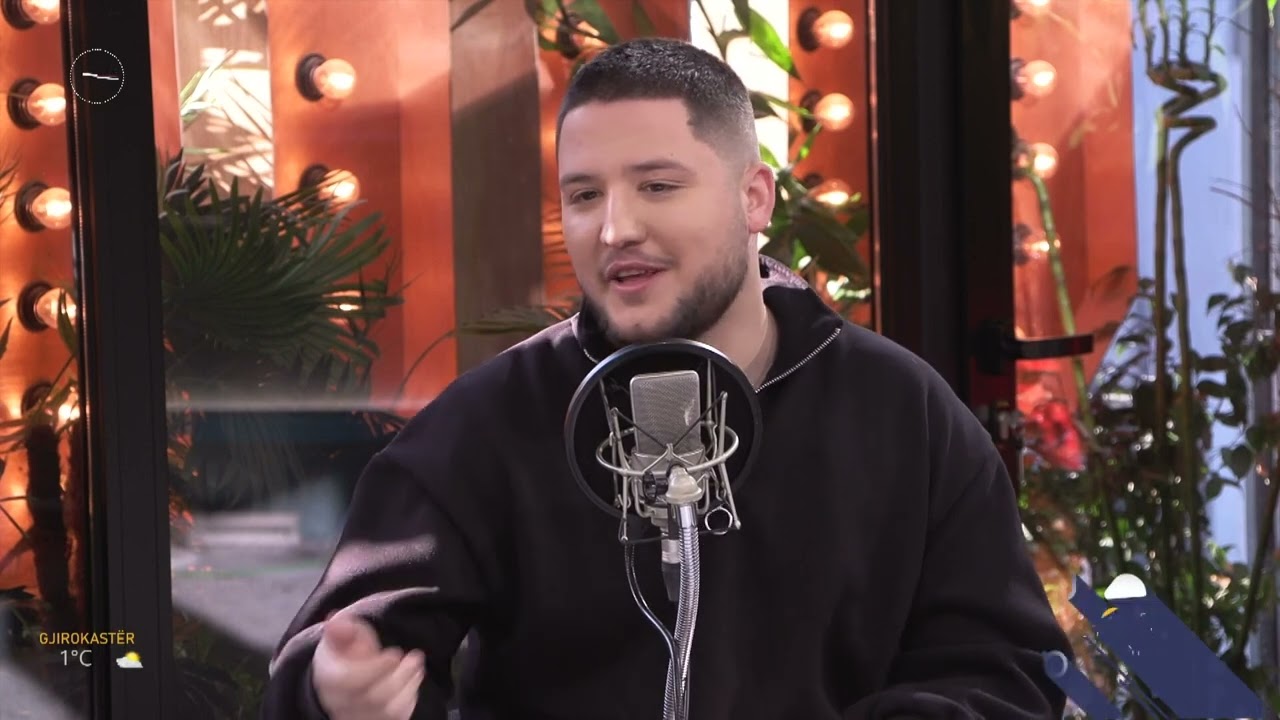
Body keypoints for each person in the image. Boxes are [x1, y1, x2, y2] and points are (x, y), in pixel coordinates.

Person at [261, 38, 1072, 720]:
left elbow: (1005, 671)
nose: (616, 227)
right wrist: (334, 694)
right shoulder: (488, 422)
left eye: (658, 186)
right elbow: (345, 647)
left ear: (754, 198)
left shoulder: (901, 412)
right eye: (585, 195)